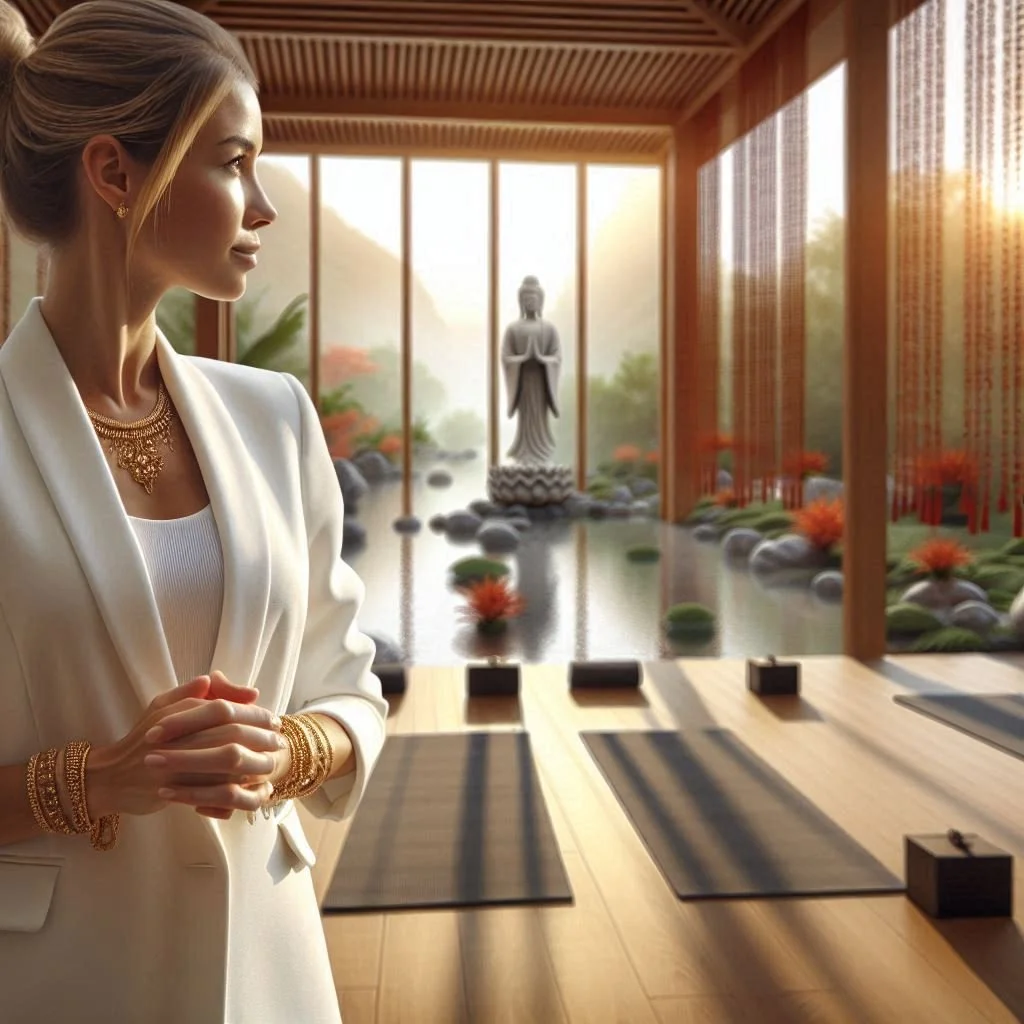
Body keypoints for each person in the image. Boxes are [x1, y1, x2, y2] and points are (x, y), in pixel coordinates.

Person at [0, 2, 387, 1021]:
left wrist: (288, 749)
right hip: (62, 981)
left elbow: (349, 684)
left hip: (273, 971)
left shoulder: (275, 417)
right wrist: (93, 779)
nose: (260, 206)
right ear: (114, 173)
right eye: (232, 163)